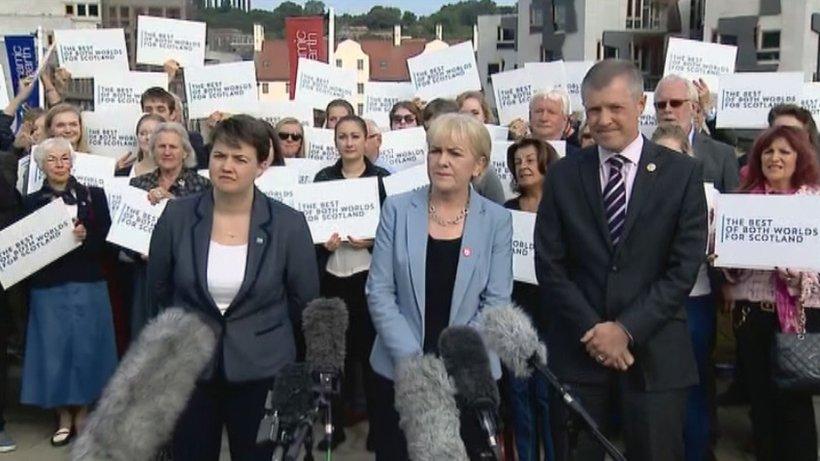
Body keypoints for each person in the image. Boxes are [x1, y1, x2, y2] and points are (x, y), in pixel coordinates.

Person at [535, 59, 707, 461]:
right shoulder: (562, 175)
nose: (604, 119)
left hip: (656, 354)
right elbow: (550, 264)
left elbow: (682, 269)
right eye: (594, 110)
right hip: (580, 353)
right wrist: (596, 332)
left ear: (641, 104)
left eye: (615, 108)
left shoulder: (681, 175)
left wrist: (626, 330)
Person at [147, 115, 320, 461]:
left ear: (262, 164)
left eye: (240, 159)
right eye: (220, 156)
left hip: (264, 372)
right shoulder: (176, 217)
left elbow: (305, 301)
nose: (227, 166)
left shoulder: (288, 224)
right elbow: (157, 293)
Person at [367, 113, 513, 460]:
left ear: (478, 165)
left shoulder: (497, 220)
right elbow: (379, 292)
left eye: (454, 153)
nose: (442, 161)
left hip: (466, 377)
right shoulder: (397, 209)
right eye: (435, 151)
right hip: (398, 372)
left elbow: (496, 301)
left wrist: (453, 363)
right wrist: (414, 364)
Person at [719, 125, 820, 461]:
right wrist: (724, 258)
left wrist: (795, 276)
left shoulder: (813, 204)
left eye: (784, 152)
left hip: (799, 316)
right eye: (767, 151)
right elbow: (729, 269)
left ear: (799, 159)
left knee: (795, 401)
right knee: (761, 402)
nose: (774, 158)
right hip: (752, 316)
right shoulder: (742, 203)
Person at [20, 137, 118, 447]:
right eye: (53, 160)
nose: (60, 164)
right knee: (54, 351)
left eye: (65, 158)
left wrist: (87, 237)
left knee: (89, 350)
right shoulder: (31, 203)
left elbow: (108, 241)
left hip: (89, 282)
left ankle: (84, 413)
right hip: (49, 286)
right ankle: (63, 415)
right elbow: (25, 249)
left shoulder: (94, 195)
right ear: (42, 165)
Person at [313, 114, 390, 450]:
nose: (348, 142)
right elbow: (311, 223)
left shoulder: (382, 179)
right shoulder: (323, 178)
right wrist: (321, 241)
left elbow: (394, 229)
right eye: (342, 136)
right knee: (332, 357)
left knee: (371, 356)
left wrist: (372, 241)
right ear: (335, 142)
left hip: (368, 277)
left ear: (365, 139)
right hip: (332, 275)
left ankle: (378, 427)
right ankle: (334, 427)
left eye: (354, 136)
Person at [504, 138, 559, 461]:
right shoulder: (507, 211)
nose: (522, 166)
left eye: (529, 160)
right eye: (518, 162)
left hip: (553, 312)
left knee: (546, 396)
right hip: (516, 312)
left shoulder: (561, 206)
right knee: (519, 393)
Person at [129, 123, 211, 336]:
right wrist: (138, 251)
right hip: (145, 275)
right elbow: (124, 232)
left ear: (185, 152)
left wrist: (174, 202)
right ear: (153, 150)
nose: (167, 152)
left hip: (186, 275)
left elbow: (206, 228)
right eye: (161, 146)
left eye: (173, 147)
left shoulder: (202, 186)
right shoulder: (138, 184)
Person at [140, 87, 208, 168]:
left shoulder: (192, 140)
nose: (154, 114)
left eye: (160, 110)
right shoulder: (138, 141)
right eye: (148, 110)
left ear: (172, 114)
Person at [511, 90, 579, 156]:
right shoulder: (512, 154)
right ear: (530, 116)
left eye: (551, 112)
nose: (544, 118)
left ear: (565, 119)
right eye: (539, 111)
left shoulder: (577, 157)